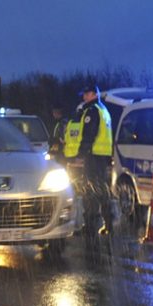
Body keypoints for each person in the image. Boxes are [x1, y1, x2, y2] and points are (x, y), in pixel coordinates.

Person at [63, 85, 114, 235]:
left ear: (93, 94)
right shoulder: (103, 110)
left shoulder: (92, 111)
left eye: (86, 94)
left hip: (94, 155)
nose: (84, 97)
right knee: (101, 189)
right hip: (102, 155)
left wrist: (81, 154)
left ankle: (91, 224)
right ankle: (107, 221)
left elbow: (89, 135)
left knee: (90, 190)